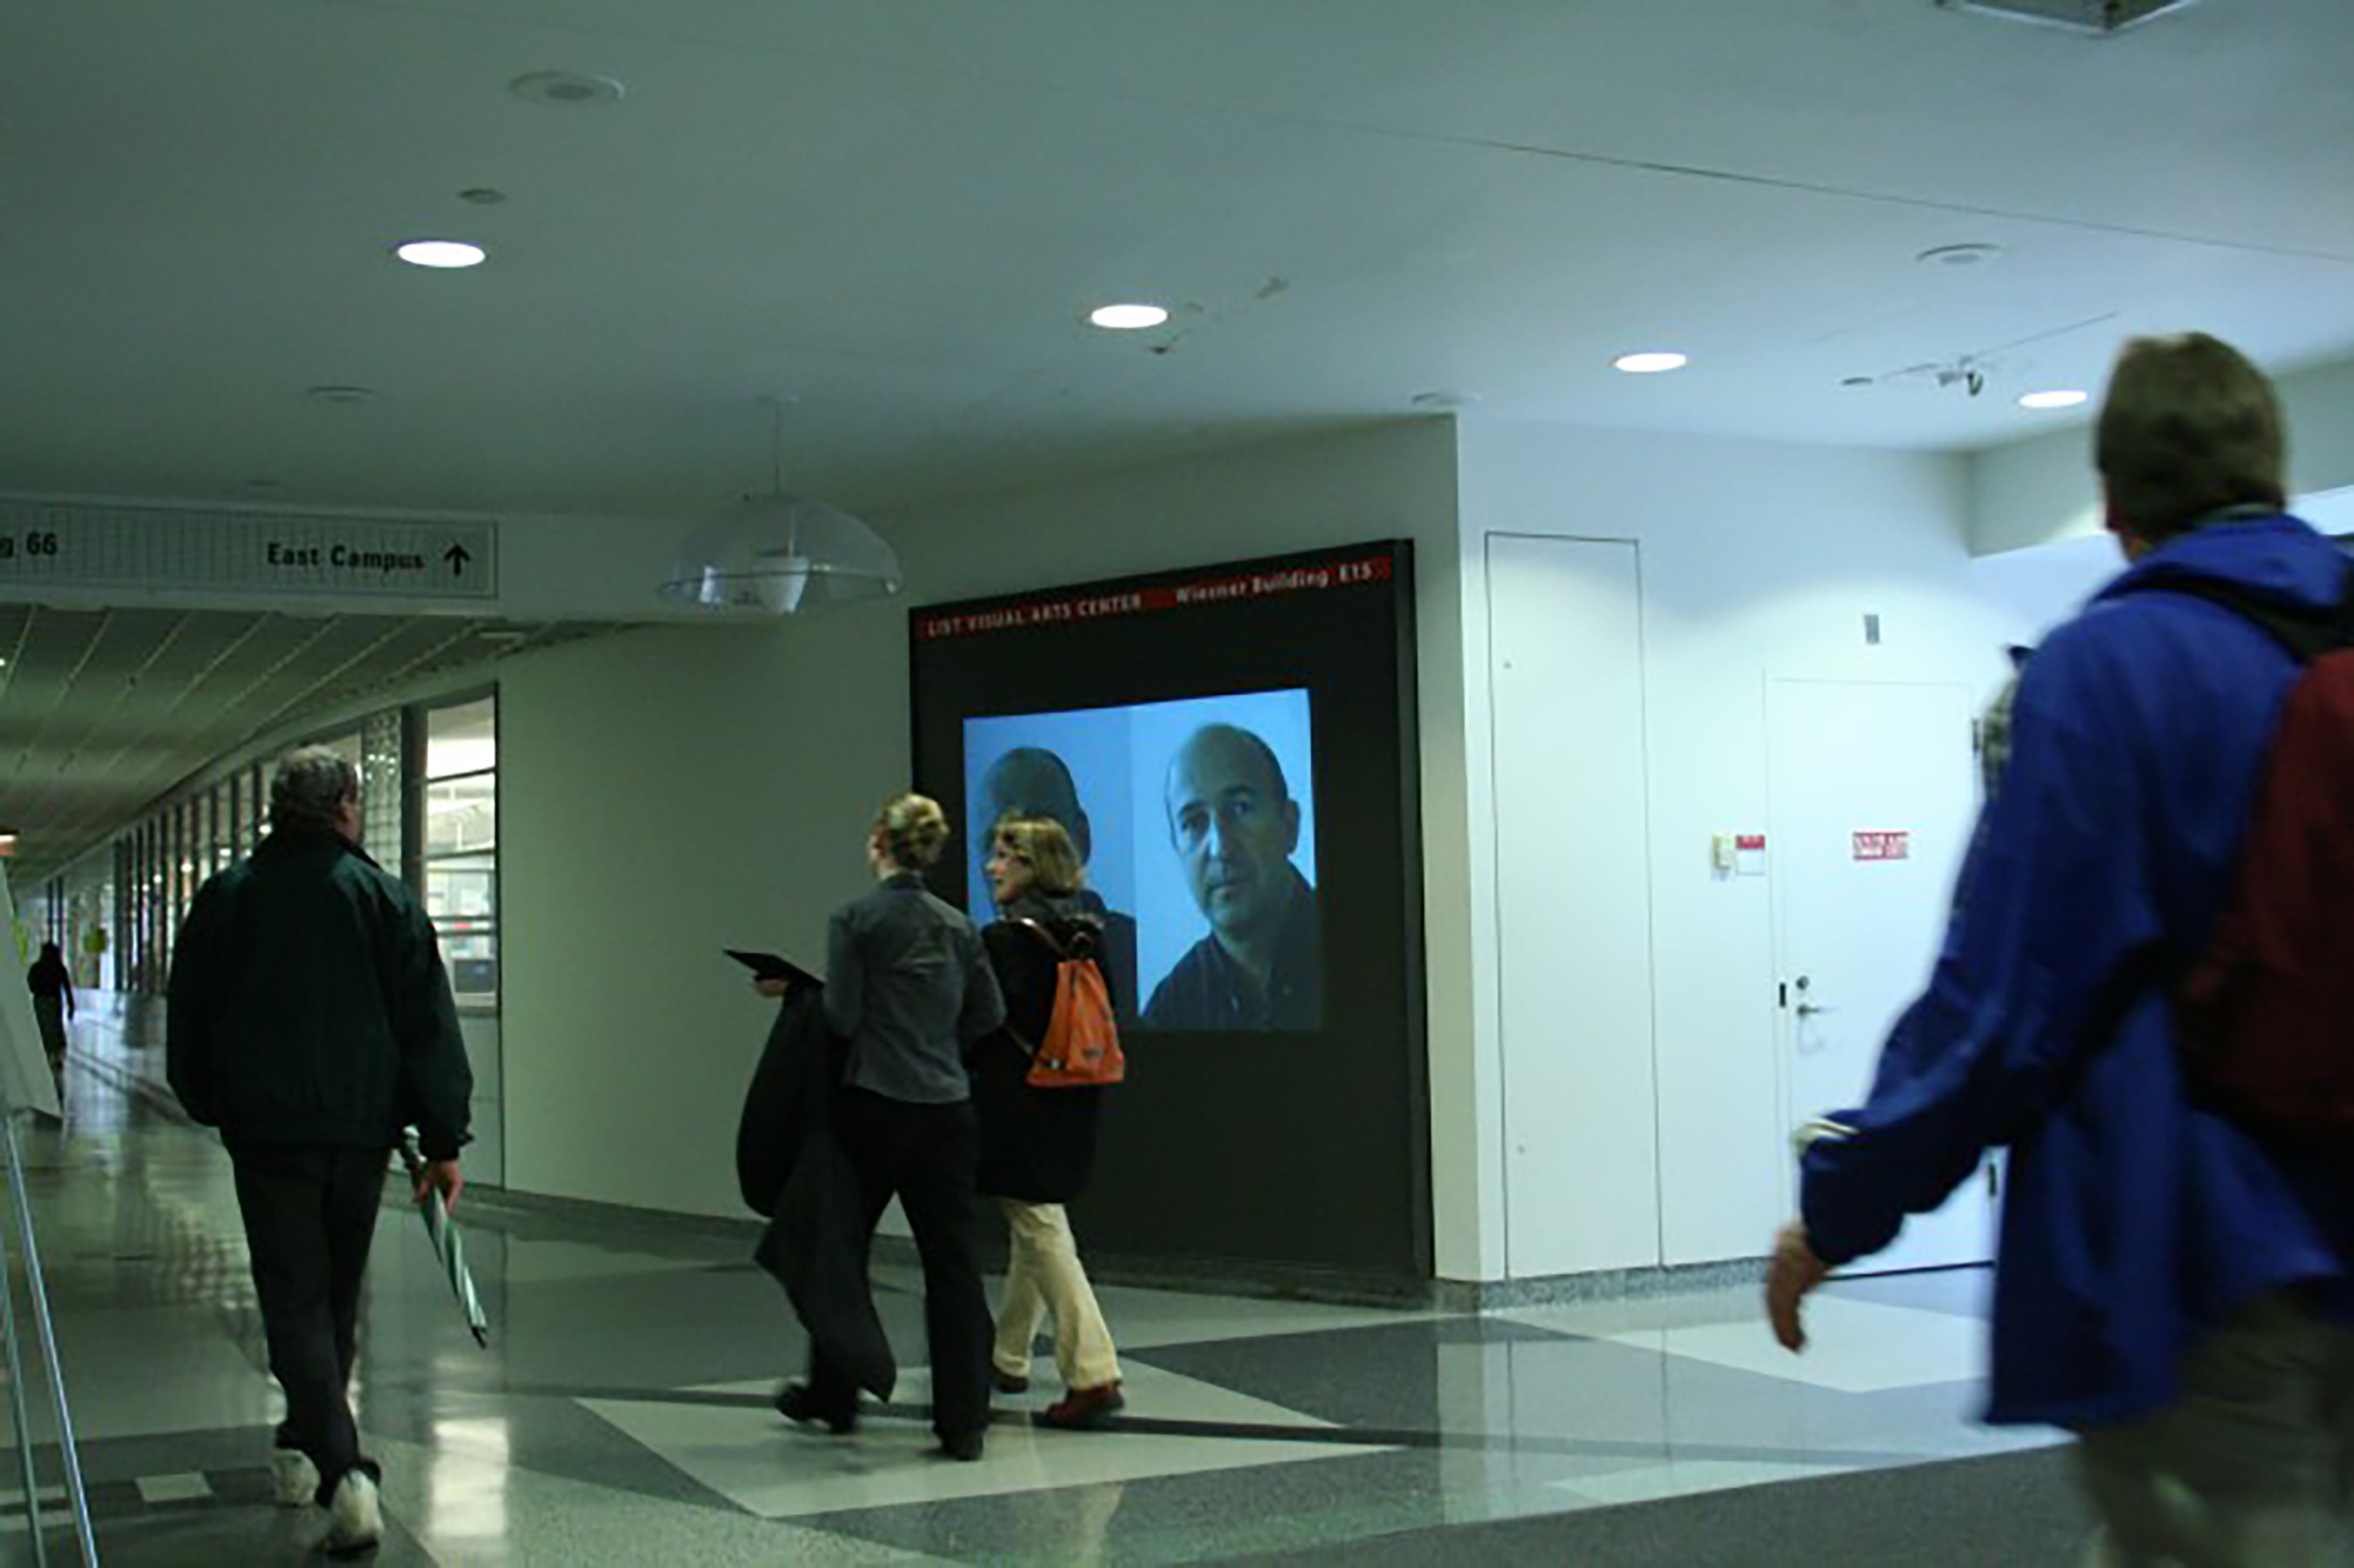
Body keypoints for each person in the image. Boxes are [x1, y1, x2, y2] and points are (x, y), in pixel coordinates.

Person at [1765, 333, 2354, 1566]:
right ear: (2277, 474)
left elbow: (2005, 1006)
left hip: (2210, 1250)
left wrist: (1842, 1208)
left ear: (2115, 501)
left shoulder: (2107, 670)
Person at [165, 746, 471, 1557]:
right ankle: (318, 1451)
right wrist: (441, 1138)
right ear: (342, 805)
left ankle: (338, 1472)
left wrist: (211, 1100)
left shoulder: (228, 899)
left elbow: (189, 1014)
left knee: (294, 1298)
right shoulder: (382, 899)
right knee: (334, 1295)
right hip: (359, 1134)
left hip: (268, 1134)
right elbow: (427, 1026)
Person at [770, 791, 1007, 1461]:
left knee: (840, 1253)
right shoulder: (959, 926)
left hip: (873, 1105)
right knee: (953, 1266)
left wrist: (799, 994)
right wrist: (940, 1049)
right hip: (947, 1111)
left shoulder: (854, 920)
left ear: (878, 839)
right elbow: (987, 1015)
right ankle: (963, 1421)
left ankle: (834, 1395)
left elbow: (842, 1017)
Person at [974, 815, 1125, 1428]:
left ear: (1033, 866)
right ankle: (1008, 1357)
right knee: (1034, 1218)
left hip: (1017, 1101)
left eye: (1005, 856)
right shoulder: (1090, 933)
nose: (991, 866)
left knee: (1037, 1224)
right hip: (1074, 1095)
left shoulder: (1005, 941)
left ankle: (1092, 1373)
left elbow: (981, 1022)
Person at [1141, 723, 1321, 1030]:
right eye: (1194, 822)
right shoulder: (1171, 1009)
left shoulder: (1358, 947)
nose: (1220, 847)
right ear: (1177, 850)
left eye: (1240, 808)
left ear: (1289, 826)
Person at [977, 746, 1140, 1023]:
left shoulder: (1134, 953)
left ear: (1082, 836)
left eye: (1040, 832)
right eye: (997, 840)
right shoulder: (972, 962)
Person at [26, 940, 73, 1079]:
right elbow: (67, 987)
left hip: (40, 1000)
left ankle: (42, 1054)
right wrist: (71, 1005)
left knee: (42, 1027)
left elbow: (30, 984)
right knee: (56, 1028)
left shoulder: (36, 968)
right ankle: (56, 1055)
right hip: (54, 1001)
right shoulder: (59, 968)